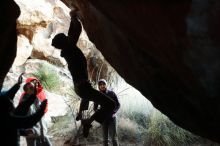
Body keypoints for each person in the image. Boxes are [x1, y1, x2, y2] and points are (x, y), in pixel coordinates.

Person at [51, 9, 116, 138]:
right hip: (83, 87)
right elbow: (77, 30)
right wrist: (73, 17)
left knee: (87, 99)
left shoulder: (68, 49)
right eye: (65, 38)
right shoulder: (70, 48)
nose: (68, 37)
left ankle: (81, 114)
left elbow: (71, 33)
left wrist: (72, 19)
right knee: (111, 104)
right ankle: (88, 122)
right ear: (65, 42)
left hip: (80, 87)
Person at [0, 73, 47, 146]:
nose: (12, 102)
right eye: (10, 101)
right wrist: (41, 110)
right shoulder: (8, 119)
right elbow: (29, 120)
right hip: (32, 132)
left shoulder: (7, 116)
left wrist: (18, 84)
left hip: (36, 131)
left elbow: (13, 127)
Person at [18, 77, 52, 146]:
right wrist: (29, 130)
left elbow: (40, 112)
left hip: (40, 130)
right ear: (26, 91)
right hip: (32, 132)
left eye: (33, 87)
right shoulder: (24, 101)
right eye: (30, 88)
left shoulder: (36, 98)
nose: (33, 88)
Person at [94, 79, 120, 146]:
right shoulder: (97, 95)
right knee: (105, 139)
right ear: (99, 86)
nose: (102, 86)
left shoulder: (112, 93)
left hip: (112, 118)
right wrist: (100, 115)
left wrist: (114, 112)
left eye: (104, 84)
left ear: (106, 85)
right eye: (100, 85)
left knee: (114, 139)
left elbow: (118, 105)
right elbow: (95, 108)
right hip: (104, 119)